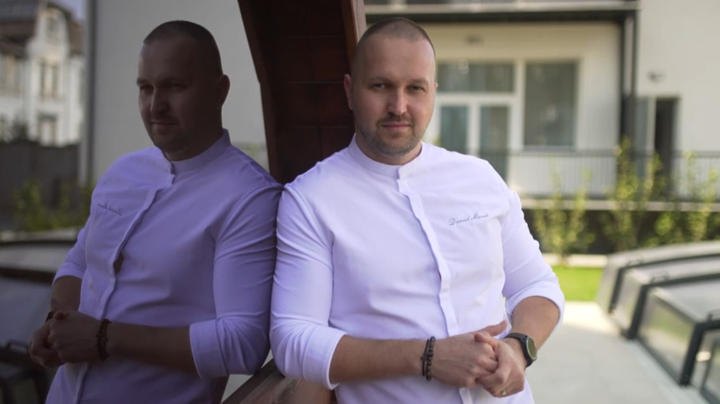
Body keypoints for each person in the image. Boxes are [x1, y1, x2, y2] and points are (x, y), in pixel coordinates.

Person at [270, 17, 565, 404]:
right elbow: (292, 338)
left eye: (415, 88)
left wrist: (519, 346)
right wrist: (426, 357)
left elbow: (538, 285)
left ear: (433, 93)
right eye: (381, 86)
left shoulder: (479, 178)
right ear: (350, 91)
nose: (399, 106)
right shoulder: (311, 200)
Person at [28, 21, 281, 404]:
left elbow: (242, 343)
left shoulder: (250, 198)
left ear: (219, 91)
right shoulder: (122, 172)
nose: (155, 105)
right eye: (145, 88)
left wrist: (103, 338)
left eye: (174, 86)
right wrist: (59, 324)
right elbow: (79, 263)